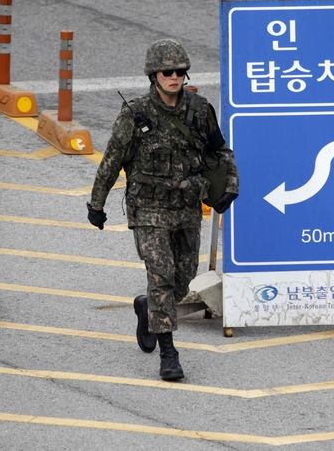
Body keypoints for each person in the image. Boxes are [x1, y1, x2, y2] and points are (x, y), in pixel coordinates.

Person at [87, 39, 239, 381]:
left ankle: (147, 308)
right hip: (149, 211)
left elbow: (220, 152)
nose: (174, 77)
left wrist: (230, 185)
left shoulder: (200, 110)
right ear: (154, 75)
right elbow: (111, 161)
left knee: (182, 281)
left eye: (180, 72)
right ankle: (169, 353)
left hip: (187, 209)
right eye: (167, 72)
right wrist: (96, 204)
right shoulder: (135, 115)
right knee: (161, 274)